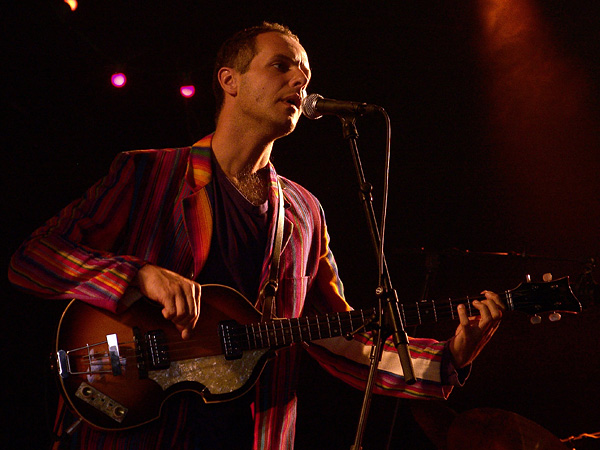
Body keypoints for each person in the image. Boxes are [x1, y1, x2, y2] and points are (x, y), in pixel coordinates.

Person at [8, 22, 504, 450]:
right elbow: (34, 257)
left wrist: (447, 358)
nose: (300, 80)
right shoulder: (147, 174)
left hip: (251, 434)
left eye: (305, 74)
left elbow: (335, 334)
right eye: (281, 66)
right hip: (137, 427)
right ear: (230, 80)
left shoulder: (305, 212)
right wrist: (138, 276)